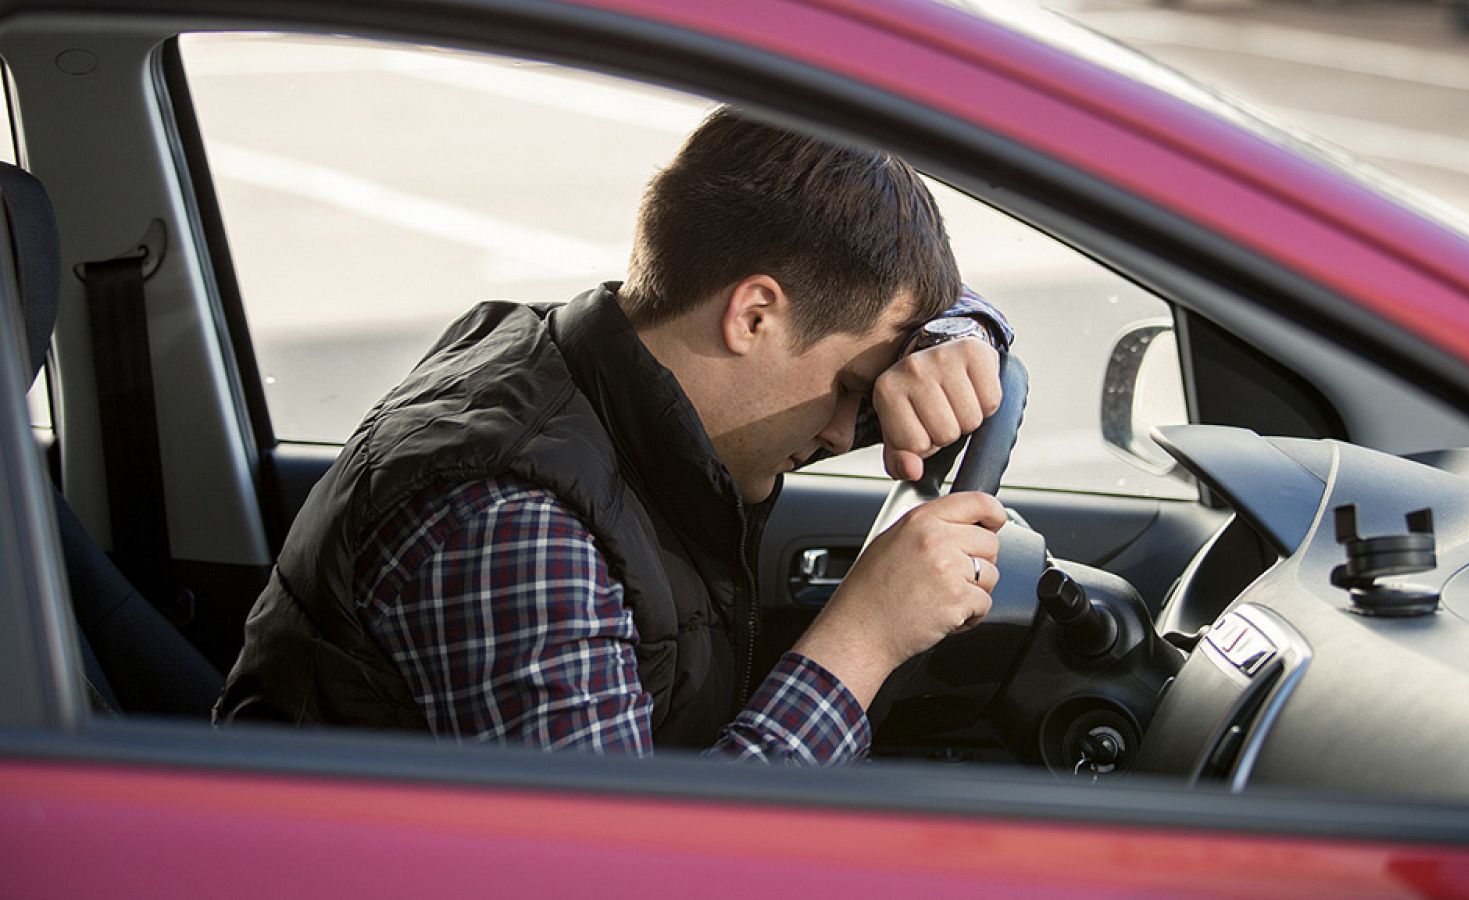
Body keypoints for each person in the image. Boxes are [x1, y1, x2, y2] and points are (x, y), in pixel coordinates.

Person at [215, 107, 1013, 764]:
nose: (849, 430)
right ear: (754, 316)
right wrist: (865, 638)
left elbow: (909, 303)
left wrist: (962, 333)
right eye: (848, 387)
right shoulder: (510, 521)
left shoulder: (569, 354)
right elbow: (630, 871)